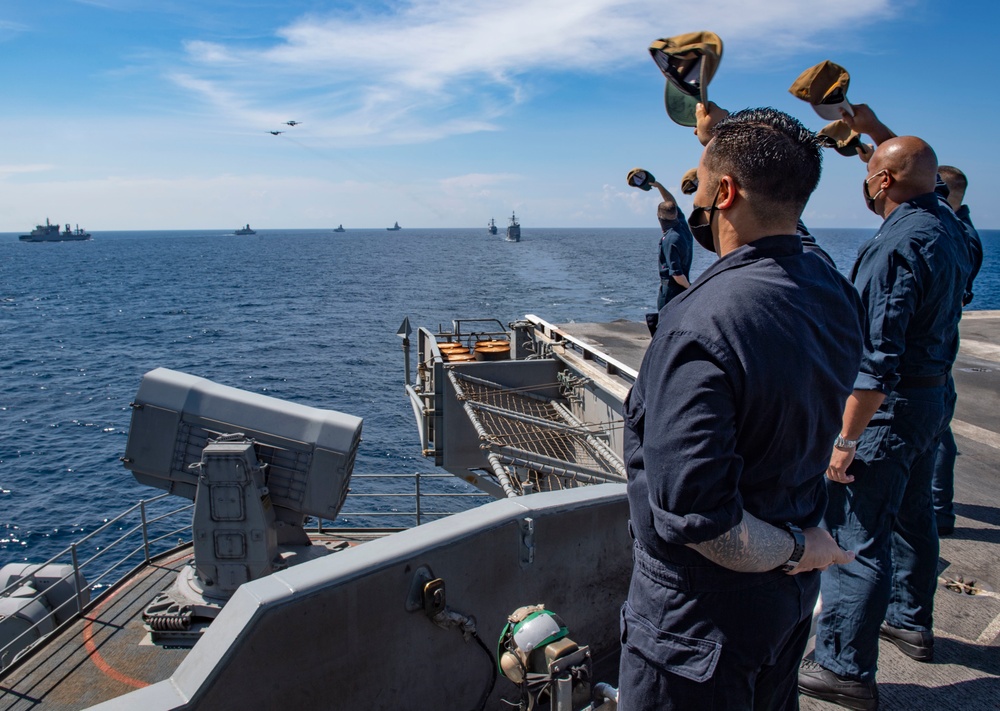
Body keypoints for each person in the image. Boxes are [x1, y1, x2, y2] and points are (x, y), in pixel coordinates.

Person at [618, 107, 864, 711]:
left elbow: (703, 516)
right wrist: (720, 142)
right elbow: (787, 234)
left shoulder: (699, 324)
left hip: (696, 628)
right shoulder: (833, 290)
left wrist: (801, 549)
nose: (694, 197)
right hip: (783, 614)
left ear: (724, 193)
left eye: (700, 184)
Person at [800, 114, 973, 710]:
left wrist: (845, 441)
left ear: (880, 183)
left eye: (872, 176)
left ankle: (843, 667)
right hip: (932, 399)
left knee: (854, 535)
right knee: (913, 516)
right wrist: (873, 129)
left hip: (890, 410)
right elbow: (913, 172)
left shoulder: (897, 244)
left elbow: (874, 359)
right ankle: (909, 620)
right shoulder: (951, 226)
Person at [931, 165, 983, 536]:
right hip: (938, 349)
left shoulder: (956, 236)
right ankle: (937, 509)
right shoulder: (961, 233)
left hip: (928, 354)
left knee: (939, 436)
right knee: (939, 434)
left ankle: (938, 510)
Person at [650, 179, 693, 309]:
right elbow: (672, 202)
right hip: (682, 289)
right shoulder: (683, 227)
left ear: (659, 217)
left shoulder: (670, 240)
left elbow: (677, 274)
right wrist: (659, 186)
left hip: (672, 291)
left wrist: (690, 288)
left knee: (664, 324)